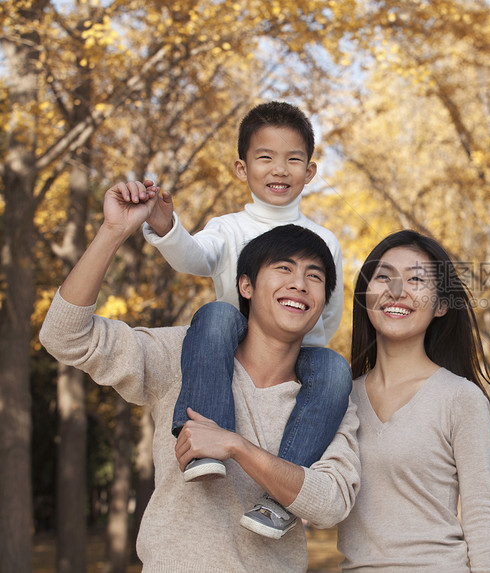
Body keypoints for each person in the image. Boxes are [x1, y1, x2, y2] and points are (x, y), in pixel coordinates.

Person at [39, 183, 360, 572]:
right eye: (283, 268)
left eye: (315, 276)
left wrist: (236, 447)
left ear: (323, 301)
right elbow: (64, 336)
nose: (299, 283)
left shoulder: (329, 396)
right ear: (246, 285)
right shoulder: (184, 352)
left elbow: (330, 504)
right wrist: (112, 231)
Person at [139, 101, 351, 538]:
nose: (280, 169)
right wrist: (167, 229)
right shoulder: (228, 227)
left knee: (334, 366)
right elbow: (194, 258)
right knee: (216, 313)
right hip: (235, 343)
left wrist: (297, 352)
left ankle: (278, 502)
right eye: (265, 157)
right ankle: (205, 439)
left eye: (294, 159)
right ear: (242, 168)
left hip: (296, 351)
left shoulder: (324, 240)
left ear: (309, 172)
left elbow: (328, 308)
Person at [338, 230, 490, 572]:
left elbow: (482, 519)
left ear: (442, 305)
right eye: (383, 276)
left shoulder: (461, 398)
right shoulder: (339, 397)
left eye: (416, 279)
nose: (396, 290)